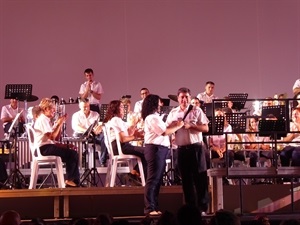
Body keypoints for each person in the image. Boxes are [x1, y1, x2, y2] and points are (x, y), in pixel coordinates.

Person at [166, 87, 209, 214]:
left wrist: (192, 126)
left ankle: (203, 208)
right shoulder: (173, 112)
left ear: (190, 98)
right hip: (182, 149)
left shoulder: (197, 110)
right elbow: (167, 128)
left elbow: (206, 128)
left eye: (186, 97)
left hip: (196, 148)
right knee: (186, 181)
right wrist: (175, 126)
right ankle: (190, 209)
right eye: (181, 97)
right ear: (178, 98)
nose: (184, 99)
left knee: (200, 179)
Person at [141, 94, 184, 215]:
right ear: (154, 104)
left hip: (159, 149)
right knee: (153, 179)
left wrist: (174, 125)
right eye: (159, 103)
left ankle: (154, 206)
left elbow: (165, 128)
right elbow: (164, 132)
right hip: (155, 149)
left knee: (158, 179)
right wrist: (178, 126)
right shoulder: (152, 118)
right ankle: (149, 208)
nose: (161, 105)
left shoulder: (155, 117)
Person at [34, 98, 80, 187]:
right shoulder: (42, 120)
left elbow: (55, 139)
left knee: (72, 152)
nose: (54, 111)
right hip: (44, 149)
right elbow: (52, 136)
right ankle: (71, 180)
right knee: (72, 154)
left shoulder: (46, 120)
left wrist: (61, 124)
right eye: (52, 109)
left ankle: (73, 181)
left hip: (48, 147)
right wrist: (59, 123)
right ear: (46, 109)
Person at [103, 100, 147, 181]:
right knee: (148, 151)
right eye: (121, 107)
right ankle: (137, 175)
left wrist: (135, 126)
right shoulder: (116, 120)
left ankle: (134, 174)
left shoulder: (116, 120)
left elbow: (128, 133)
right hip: (120, 147)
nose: (124, 109)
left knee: (146, 151)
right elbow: (123, 139)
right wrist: (135, 136)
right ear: (116, 109)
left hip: (119, 147)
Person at [72, 98, 107, 166]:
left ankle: (103, 160)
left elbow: (99, 125)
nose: (86, 108)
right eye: (84, 107)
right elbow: (76, 127)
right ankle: (82, 159)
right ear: (79, 106)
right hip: (82, 134)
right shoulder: (76, 115)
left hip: (94, 134)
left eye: (88, 106)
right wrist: (87, 131)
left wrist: (98, 129)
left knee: (104, 137)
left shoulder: (95, 114)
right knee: (77, 136)